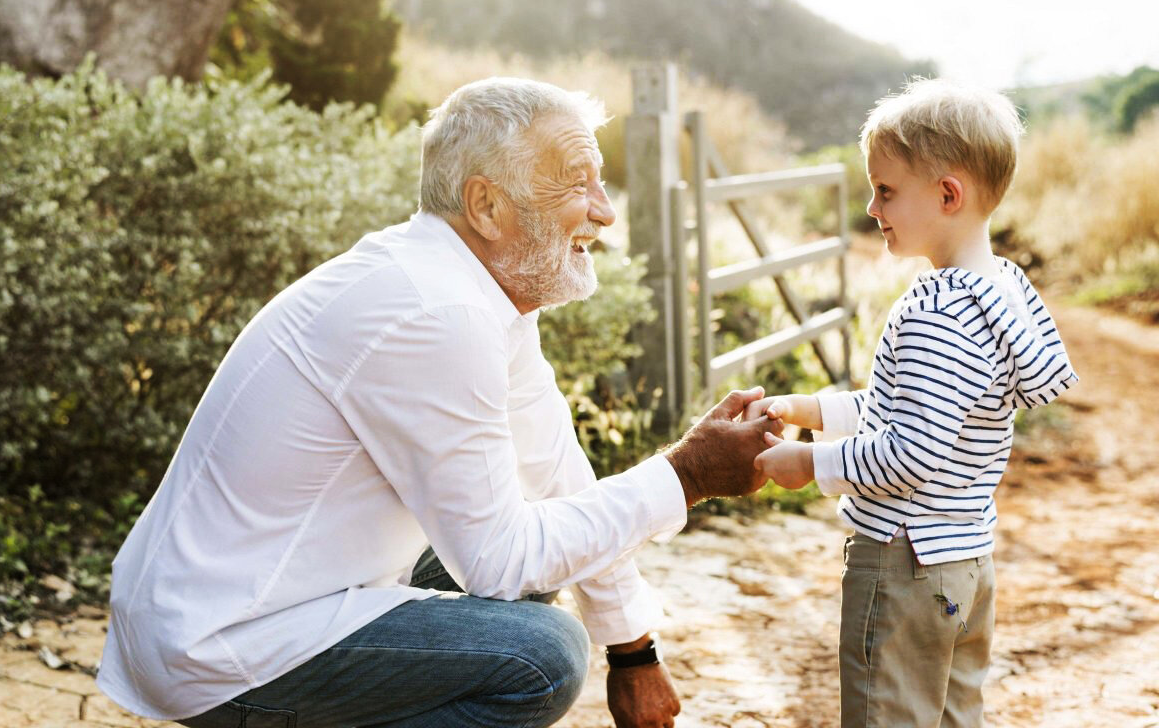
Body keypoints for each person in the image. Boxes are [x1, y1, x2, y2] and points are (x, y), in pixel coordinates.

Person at [96, 77, 782, 728]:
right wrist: (688, 474)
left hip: (271, 589)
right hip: (223, 641)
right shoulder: (435, 311)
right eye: (579, 183)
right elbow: (499, 560)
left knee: (547, 551)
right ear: (487, 206)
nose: (604, 210)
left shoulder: (472, 288)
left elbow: (556, 471)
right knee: (541, 656)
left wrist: (634, 651)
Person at [748, 78, 1079, 727]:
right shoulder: (1000, 293)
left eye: (886, 190)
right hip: (964, 564)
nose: (872, 207)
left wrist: (810, 463)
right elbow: (920, 410)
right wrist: (815, 411)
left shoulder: (935, 314)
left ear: (948, 194)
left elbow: (912, 450)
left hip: (904, 562)